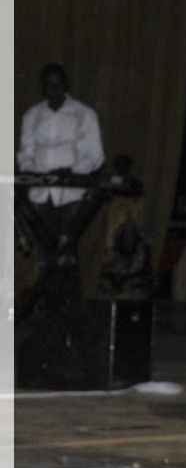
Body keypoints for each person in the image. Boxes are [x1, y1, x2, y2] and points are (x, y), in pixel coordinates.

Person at [15, 63, 105, 319]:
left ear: (66, 85)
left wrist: (72, 170)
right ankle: (53, 313)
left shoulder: (84, 114)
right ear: (41, 86)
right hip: (40, 196)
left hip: (72, 195)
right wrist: (34, 172)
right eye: (47, 84)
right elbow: (25, 153)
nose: (52, 90)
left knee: (66, 249)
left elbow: (95, 156)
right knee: (49, 252)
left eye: (57, 84)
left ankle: (68, 314)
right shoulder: (32, 116)